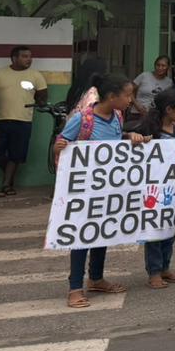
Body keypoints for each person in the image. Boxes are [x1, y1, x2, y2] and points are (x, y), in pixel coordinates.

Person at [53, 73, 143, 308]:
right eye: (127, 95)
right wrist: (60, 146)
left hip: (107, 189)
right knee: (82, 237)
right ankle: (75, 287)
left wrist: (129, 136)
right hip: (85, 192)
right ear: (112, 97)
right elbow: (62, 142)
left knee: (102, 232)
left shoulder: (118, 116)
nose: (130, 100)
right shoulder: (83, 119)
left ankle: (96, 278)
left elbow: (114, 140)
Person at [131, 89, 175, 290]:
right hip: (153, 190)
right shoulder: (150, 130)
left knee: (170, 228)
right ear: (169, 109)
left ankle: (166, 266)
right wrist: (140, 142)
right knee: (154, 231)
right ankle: (154, 271)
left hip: (172, 190)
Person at [0, 45, 48, 196]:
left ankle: (6, 184)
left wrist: (40, 99)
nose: (29, 59)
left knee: (16, 154)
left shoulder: (36, 75)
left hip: (23, 121)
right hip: (0, 120)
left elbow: (43, 97)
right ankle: (9, 176)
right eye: (24, 56)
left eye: (30, 57)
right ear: (14, 58)